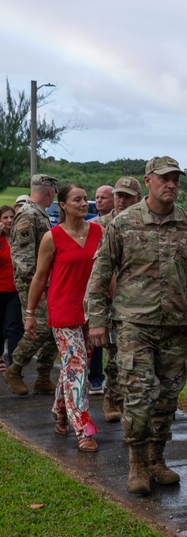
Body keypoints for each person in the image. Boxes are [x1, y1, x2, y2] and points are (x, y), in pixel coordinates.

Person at [86, 156, 187, 495]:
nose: (172, 184)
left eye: (176, 179)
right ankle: (137, 464)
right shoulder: (123, 223)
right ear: (148, 181)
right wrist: (97, 320)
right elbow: (101, 273)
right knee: (139, 396)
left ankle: (157, 459)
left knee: (168, 397)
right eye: (165, 178)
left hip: (176, 326)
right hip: (133, 324)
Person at [25, 185, 103, 452]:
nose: (84, 204)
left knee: (73, 368)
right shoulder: (52, 237)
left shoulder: (98, 232)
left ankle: (60, 409)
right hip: (63, 312)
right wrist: (30, 313)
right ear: (63, 205)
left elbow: (106, 273)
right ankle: (82, 428)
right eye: (77, 200)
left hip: (91, 313)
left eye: (85, 199)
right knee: (78, 367)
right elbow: (39, 278)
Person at [92, 175, 142, 424]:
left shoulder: (143, 224)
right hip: (112, 302)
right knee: (114, 357)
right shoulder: (101, 225)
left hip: (138, 302)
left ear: (138, 199)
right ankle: (111, 398)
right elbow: (98, 271)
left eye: (127, 196)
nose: (121, 201)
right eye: (118, 196)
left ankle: (136, 404)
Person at [5, 174, 60, 396]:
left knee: (54, 329)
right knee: (40, 328)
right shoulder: (28, 214)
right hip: (34, 284)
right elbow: (23, 258)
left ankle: (43, 378)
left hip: (46, 282)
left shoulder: (39, 214)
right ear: (50, 192)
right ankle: (14, 369)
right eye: (54, 192)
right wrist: (34, 287)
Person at [87, 185, 115, 395]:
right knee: (96, 335)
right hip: (99, 289)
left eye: (104, 197)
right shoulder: (91, 226)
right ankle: (95, 377)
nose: (99, 200)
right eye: (97, 197)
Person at [0, 205, 24, 372]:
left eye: (11, 217)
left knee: (13, 327)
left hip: (15, 290)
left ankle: (14, 367)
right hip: (0, 289)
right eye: (5, 218)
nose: (9, 221)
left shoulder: (19, 238)